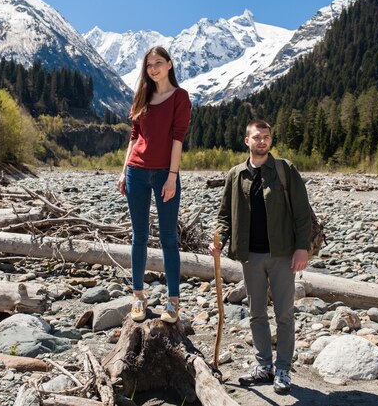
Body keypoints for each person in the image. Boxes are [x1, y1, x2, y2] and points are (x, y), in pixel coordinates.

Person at [208, 120, 311, 394]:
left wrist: (303, 248)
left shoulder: (285, 170)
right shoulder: (235, 174)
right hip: (250, 256)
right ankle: (264, 365)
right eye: (257, 137)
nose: (262, 141)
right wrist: (219, 239)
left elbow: (302, 213)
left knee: (284, 315)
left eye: (266, 137)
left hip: (282, 254)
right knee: (256, 314)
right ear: (247, 141)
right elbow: (224, 216)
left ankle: (283, 370)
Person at [117, 46, 191, 324]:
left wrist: (172, 175)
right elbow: (133, 137)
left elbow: (177, 138)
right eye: (149, 65)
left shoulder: (180, 97)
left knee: (169, 238)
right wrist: (124, 171)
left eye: (159, 63)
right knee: (139, 236)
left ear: (170, 65)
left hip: (164, 174)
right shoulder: (142, 96)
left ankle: (173, 302)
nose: (153, 68)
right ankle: (138, 296)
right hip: (136, 171)